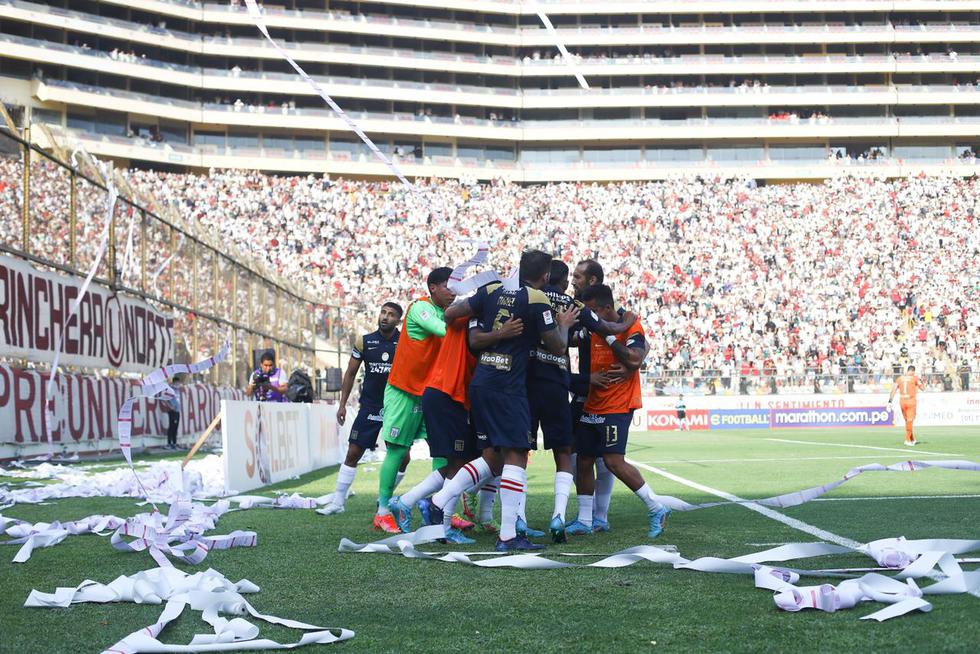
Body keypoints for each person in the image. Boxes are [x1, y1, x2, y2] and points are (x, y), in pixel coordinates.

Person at [423, 249, 578, 552]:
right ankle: (505, 534)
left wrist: (489, 324)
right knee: (517, 454)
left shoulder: (492, 289)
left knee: (494, 457)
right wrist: (564, 324)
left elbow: (451, 313)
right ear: (546, 277)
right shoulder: (537, 300)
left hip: (481, 382)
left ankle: (440, 502)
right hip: (508, 386)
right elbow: (558, 347)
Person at [531, 259, 636, 543]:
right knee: (580, 454)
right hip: (580, 390)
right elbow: (572, 341)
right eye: (572, 276)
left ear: (592, 281)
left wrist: (628, 326)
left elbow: (628, 345)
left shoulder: (601, 311)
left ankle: (598, 516)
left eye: (578, 276)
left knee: (603, 458)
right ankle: (587, 515)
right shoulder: (572, 308)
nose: (574, 280)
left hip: (606, 393)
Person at [566, 284, 671, 539]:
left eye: (593, 312)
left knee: (613, 461)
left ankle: (656, 507)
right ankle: (585, 519)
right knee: (584, 460)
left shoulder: (630, 327)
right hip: (592, 403)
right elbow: (568, 339)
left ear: (606, 308)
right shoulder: (590, 329)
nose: (590, 318)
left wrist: (612, 336)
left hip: (617, 405)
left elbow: (635, 358)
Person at [372, 267, 456, 534]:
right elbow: (445, 331)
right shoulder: (420, 308)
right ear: (433, 287)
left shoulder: (445, 310)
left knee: (443, 450)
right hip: (403, 390)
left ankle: (438, 507)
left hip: (430, 393)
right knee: (397, 450)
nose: (453, 291)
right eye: (448, 286)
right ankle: (383, 511)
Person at [321, 302, 404, 516]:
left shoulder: (406, 342)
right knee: (353, 452)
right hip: (370, 406)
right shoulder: (365, 341)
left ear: (398, 320)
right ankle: (338, 502)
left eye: (391, 314)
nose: (385, 317)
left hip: (397, 407)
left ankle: (384, 497)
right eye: (383, 312)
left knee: (403, 456)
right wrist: (342, 404)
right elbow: (350, 373)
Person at [888, 364, 925, 446]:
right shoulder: (914, 378)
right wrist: (922, 381)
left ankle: (912, 439)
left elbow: (893, 389)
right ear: (912, 371)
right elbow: (923, 388)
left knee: (907, 421)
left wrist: (890, 401)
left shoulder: (900, 378)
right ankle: (907, 440)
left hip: (902, 402)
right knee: (910, 420)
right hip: (911, 402)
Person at [161, 377, 181, 450]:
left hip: (177, 411)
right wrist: (170, 406)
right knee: (171, 427)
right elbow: (164, 399)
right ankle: (169, 444)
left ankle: (174, 443)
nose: (179, 384)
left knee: (175, 428)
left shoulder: (178, 390)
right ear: (175, 382)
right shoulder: (170, 389)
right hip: (172, 411)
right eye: (177, 382)